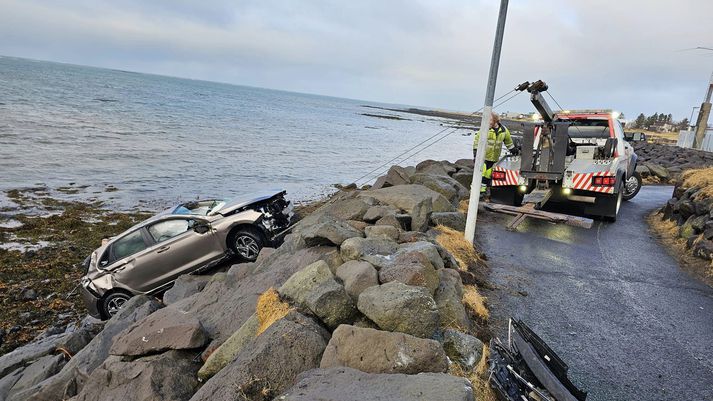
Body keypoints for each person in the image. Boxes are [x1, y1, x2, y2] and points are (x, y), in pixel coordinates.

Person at [473, 113, 517, 196]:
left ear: (495, 120)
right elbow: (476, 141)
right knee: (481, 173)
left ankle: (482, 191)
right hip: (483, 157)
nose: (487, 121)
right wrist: (475, 155)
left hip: (494, 158)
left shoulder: (504, 130)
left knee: (488, 174)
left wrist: (514, 150)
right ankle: (475, 192)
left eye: (490, 119)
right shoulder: (485, 129)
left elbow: (508, 142)